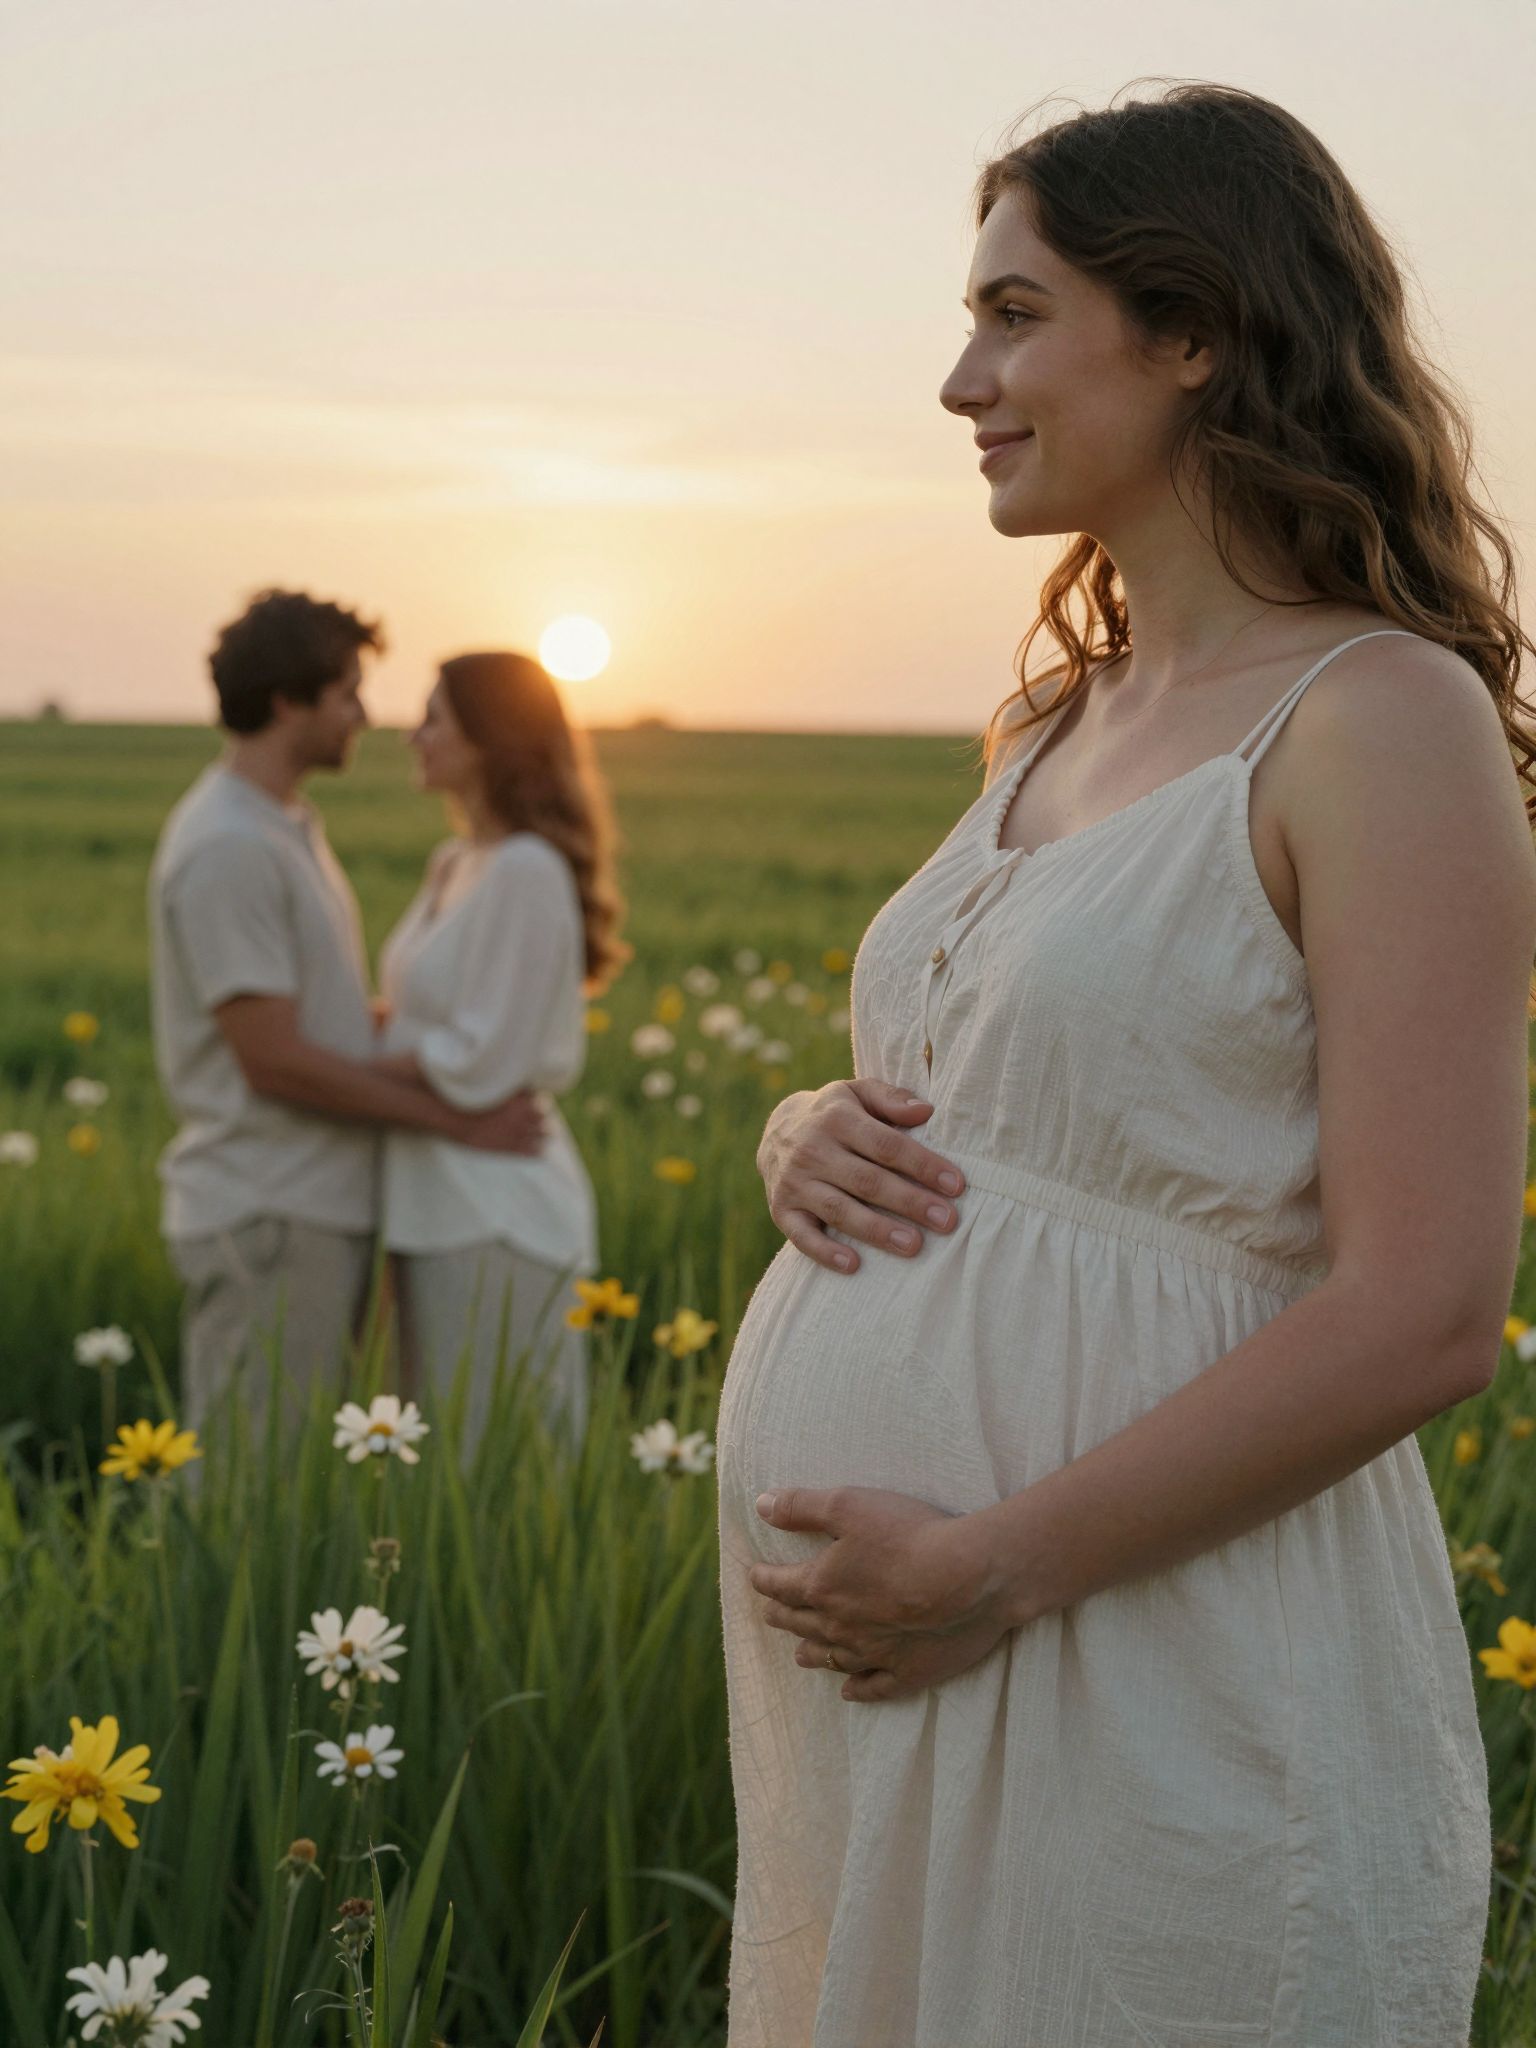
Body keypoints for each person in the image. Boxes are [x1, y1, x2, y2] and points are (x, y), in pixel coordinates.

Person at [715, 82, 1536, 2048]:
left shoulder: (1380, 718)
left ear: (1195, 330)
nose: (958, 377)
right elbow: (993, 1097)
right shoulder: (1058, 717)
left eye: (1014, 312)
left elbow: (1427, 1308)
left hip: (1155, 1661)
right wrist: (796, 1128)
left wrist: (996, 1562)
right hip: (925, 1673)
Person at [148, 590, 547, 1453]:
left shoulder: (283, 824)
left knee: (290, 1480)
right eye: (347, 693)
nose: (367, 715)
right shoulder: (231, 846)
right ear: (289, 701)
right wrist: (458, 1119)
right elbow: (275, 1060)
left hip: (309, 1203)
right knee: (252, 1485)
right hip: (269, 1207)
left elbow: (310, 1018)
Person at [375, 651, 630, 1459]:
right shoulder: (456, 862)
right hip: (433, 1194)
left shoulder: (526, 869)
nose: (413, 736)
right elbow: (436, 1027)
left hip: (496, 1208)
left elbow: (484, 1064)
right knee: (435, 1457)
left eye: (434, 718)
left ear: (488, 740)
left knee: (495, 1466)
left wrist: (344, 1051)